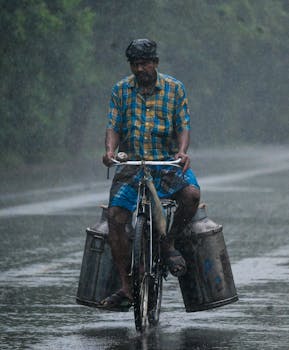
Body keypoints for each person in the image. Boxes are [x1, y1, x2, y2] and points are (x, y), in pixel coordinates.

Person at [101, 38, 200, 310]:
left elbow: (183, 124)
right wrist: (110, 151)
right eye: (135, 64)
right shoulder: (121, 90)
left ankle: (167, 242)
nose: (140, 68)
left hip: (166, 164)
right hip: (132, 165)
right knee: (115, 217)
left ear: (155, 63)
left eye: (145, 63)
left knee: (191, 196)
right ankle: (126, 284)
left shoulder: (174, 88)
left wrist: (181, 151)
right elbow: (113, 125)